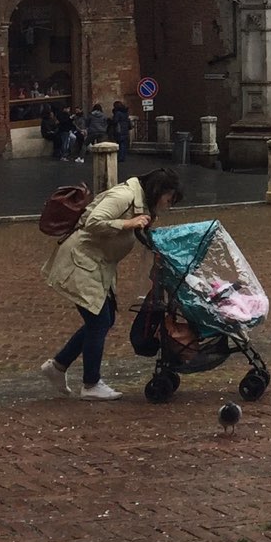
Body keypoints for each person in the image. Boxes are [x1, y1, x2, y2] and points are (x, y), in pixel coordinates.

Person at [39, 167, 183, 400]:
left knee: (104, 319)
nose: (168, 205)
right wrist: (128, 224)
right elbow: (94, 222)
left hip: (99, 265)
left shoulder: (142, 203)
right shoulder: (124, 196)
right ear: (158, 192)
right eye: (169, 199)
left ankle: (58, 366)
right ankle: (91, 384)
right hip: (82, 261)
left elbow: (140, 231)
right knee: (99, 321)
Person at [111, 99, 133, 164]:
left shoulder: (118, 113)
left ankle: (120, 157)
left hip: (119, 130)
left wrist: (110, 121)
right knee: (123, 144)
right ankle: (123, 157)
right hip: (125, 130)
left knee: (120, 144)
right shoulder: (125, 113)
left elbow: (115, 121)